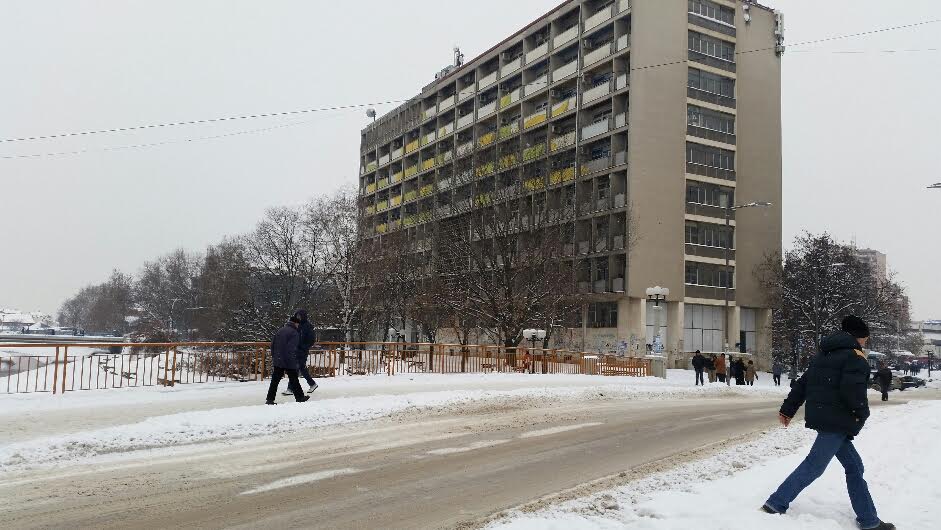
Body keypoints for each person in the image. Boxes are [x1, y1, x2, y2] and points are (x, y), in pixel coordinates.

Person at [761, 316, 894, 530]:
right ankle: (776, 502)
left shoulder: (824, 354)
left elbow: (803, 383)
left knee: (854, 466)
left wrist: (788, 409)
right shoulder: (855, 358)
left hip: (826, 417)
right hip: (837, 420)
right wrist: (862, 414)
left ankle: (869, 520)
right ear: (858, 337)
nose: (865, 343)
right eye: (865, 339)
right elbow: (853, 392)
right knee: (814, 466)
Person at [265, 317, 310, 405]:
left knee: (275, 380)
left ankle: (270, 399)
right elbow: (291, 349)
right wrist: (293, 360)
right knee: (294, 379)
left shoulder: (280, 330)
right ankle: (300, 397)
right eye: (298, 324)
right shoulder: (294, 333)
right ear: (296, 323)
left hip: (278, 359)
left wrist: (274, 356)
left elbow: (272, 345)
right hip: (288, 360)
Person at [285, 309, 319, 396]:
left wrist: (304, 347)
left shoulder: (307, 326)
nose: (298, 317)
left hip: (302, 351)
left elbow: (311, 340)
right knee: (297, 369)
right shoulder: (296, 325)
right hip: (295, 350)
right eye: (297, 316)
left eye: (300, 316)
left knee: (299, 368)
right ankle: (310, 384)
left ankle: (291, 388)